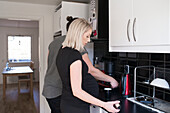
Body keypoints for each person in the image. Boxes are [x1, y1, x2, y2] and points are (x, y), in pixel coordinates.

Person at [56, 18, 120, 113]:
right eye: (87, 36)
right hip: (76, 108)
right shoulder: (74, 55)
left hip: (68, 103)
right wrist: (104, 105)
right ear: (78, 34)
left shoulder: (62, 50)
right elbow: (77, 91)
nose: (88, 40)